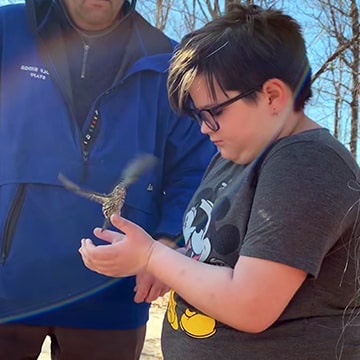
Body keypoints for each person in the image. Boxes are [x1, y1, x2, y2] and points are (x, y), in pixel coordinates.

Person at [79, 4, 360, 360]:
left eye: (213, 113)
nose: (203, 128)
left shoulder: (307, 162)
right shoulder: (233, 157)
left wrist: (152, 255)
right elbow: (220, 258)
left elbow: (250, 304)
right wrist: (167, 263)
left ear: (273, 96)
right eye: (198, 116)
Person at [0, 0, 215, 359]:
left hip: (113, 297)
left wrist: (168, 243)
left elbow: (196, 166)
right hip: (7, 285)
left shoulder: (169, 60)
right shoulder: (7, 30)